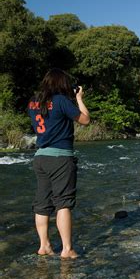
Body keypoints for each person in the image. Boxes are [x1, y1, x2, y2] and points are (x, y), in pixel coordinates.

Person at [27, 68, 90, 259]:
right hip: (60, 158)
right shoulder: (61, 101)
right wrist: (78, 98)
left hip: (40, 157)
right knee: (63, 203)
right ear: (62, 84)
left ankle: (44, 245)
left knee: (42, 203)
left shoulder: (32, 102)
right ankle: (67, 249)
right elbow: (85, 120)